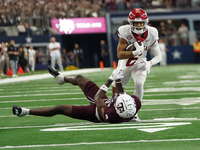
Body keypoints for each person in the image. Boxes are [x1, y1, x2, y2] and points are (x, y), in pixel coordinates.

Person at [12, 67, 141, 123]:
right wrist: (117, 79)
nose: (118, 95)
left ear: (117, 110)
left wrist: (109, 80)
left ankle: (25, 112)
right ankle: (61, 78)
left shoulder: (111, 116)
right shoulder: (134, 103)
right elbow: (121, 94)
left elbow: (98, 99)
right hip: (105, 103)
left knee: (59, 109)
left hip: (95, 112)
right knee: (79, 78)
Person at [112, 8, 162, 120]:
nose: (139, 25)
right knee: (117, 87)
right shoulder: (124, 31)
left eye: (141, 23)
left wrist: (150, 63)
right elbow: (120, 54)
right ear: (130, 23)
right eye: (136, 23)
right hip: (125, 62)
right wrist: (134, 52)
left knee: (139, 84)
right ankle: (117, 111)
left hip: (140, 62)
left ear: (146, 22)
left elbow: (159, 56)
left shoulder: (152, 32)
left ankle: (133, 113)